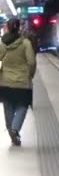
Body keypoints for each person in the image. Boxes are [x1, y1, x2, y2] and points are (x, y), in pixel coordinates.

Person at [0, 17, 37, 146]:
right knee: (22, 105)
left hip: (5, 81)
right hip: (22, 81)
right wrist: (30, 75)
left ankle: (11, 129)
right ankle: (15, 129)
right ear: (19, 28)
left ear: (8, 28)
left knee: (8, 106)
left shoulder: (2, 43)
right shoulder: (25, 43)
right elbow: (31, 62)